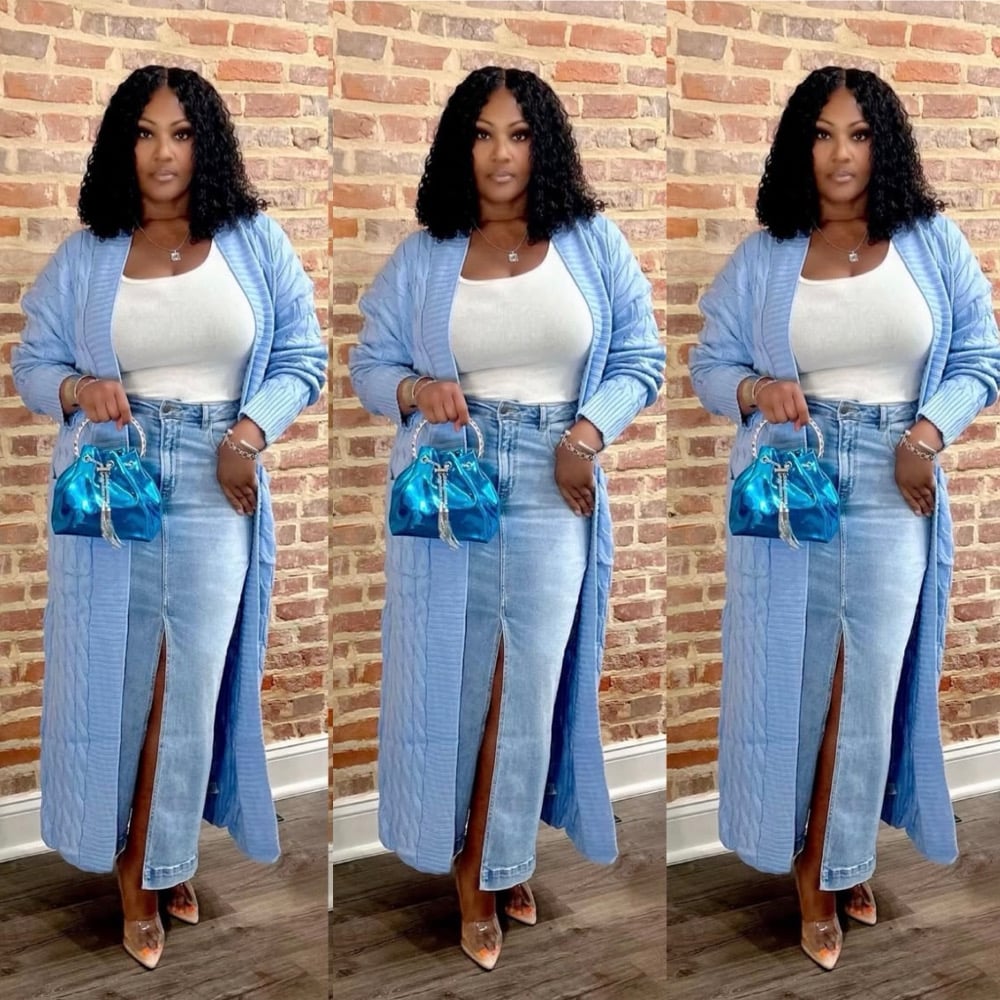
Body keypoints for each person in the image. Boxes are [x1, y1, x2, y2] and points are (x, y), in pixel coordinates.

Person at [349, 66, 663, 970]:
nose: (500, 155)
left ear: (544, 147)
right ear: (460, 148)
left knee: (528, 680)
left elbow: (639, 358)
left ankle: (501, 853)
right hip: (450, 476)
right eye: (482, 135)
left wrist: (586, 435)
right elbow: (370, 367)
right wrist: (415, 389)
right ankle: (472, 872)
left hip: (556, 477)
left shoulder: (592, 244)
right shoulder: (424, 257)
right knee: (453, 677)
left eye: (518, 135)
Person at [12, 66, 326, 970]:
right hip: (111, 477)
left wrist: (248, 434)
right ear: (123, 147)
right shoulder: (87, 256)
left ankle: (164, 852)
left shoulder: (254, 242)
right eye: (145, 134)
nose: (162, 154)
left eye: (181, 135)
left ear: (206, 146)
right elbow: (33, 365)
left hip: (216, 475)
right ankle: (136, 872)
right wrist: (78, 388)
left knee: (189, 681)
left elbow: (302, 357)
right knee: (116, 679)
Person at [689, 66, 1000, 971]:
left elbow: (980, 357)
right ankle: (812, 868)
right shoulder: (765, 256)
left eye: (859, 135)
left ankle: (841, 855)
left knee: (870, 681)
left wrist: (926, 436)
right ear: (800, 147)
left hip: (897, 479)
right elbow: (710, 367)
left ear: (884, 146)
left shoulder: (931, 243)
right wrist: (756, 389)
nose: (840, 155)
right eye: (823, 135)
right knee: (796, 677)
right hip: (792, 477)